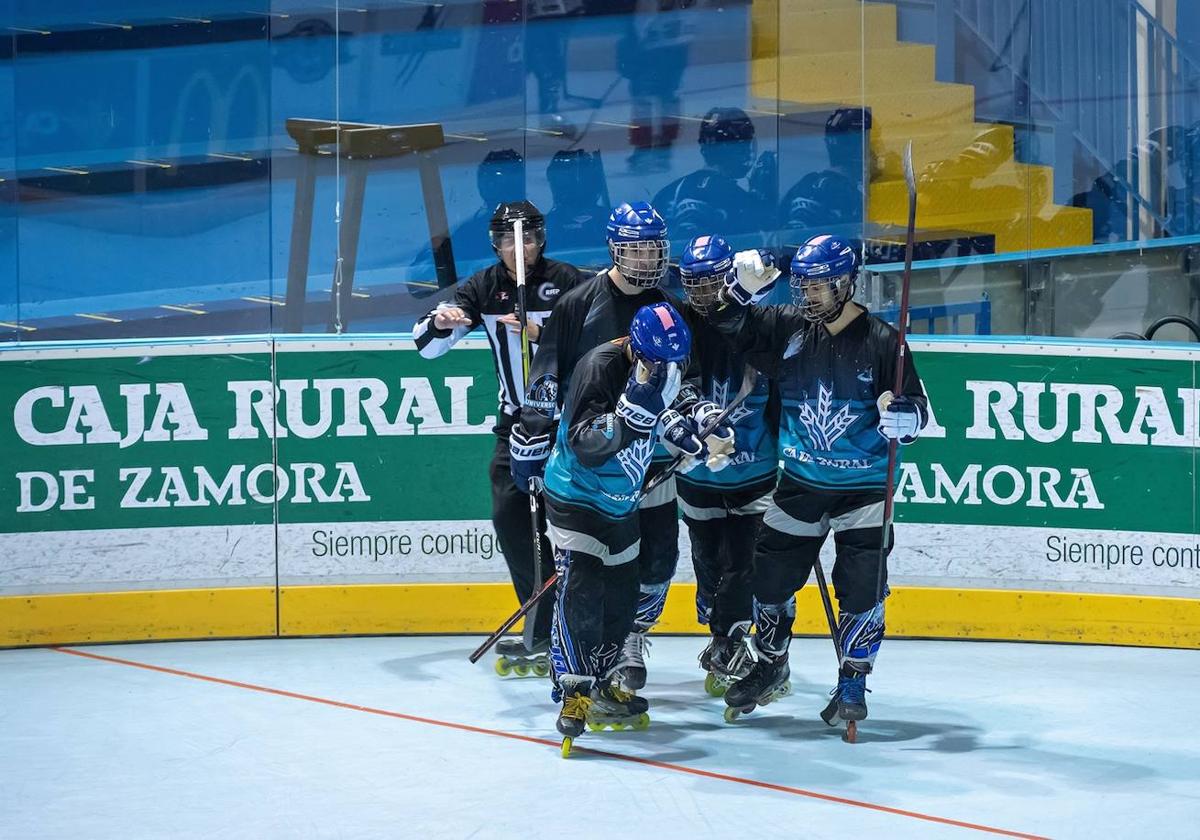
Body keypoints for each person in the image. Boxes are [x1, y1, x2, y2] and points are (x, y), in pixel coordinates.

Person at [708, 234, 929, 730]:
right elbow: (725, 323)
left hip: (865, 489)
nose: (807, 297)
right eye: (802, 286)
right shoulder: (787, 329)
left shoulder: (881, 341)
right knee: (768, 580)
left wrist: (906, 419)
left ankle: (853, 678)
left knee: (861, 588)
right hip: (801, 483)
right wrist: (738, 292)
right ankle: (770, 662)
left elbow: (917, 406)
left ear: (847, 285)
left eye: (819, 288)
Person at [509, 200, 698, 692]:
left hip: (649, 461)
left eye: (654, 248)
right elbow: (547, 371)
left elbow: (685, 378)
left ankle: (628, 638)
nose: (646, 258)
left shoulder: (667, 306)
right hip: (592, 452)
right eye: (636, 249)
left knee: (657, 561)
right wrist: (533, 434)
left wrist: (695, 419)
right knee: (590, 571)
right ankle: (582, 661)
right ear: (615, 250)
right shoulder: (579, 302)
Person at [413, 201, 583, 674]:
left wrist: (540, 331)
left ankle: (580, 627)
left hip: (570, 423)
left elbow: (600, 336)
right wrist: (441, 321)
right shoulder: (485, 287)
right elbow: (427, 347)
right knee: (511, 519)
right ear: (496, 244)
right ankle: (543, 628)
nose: (519, 247)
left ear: (541, 240)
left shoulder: (568, 281)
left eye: (527, 238)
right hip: (516, 423)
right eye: (509, 239)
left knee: (573, 525)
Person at [542, 302, 714, 754]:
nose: (666, 370)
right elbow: (584, 443)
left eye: (673, 363)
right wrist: (626, 420)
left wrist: (688, 433)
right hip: (577, 497)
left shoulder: (667, 365)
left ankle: (600, 681)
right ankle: (573, 691)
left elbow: (668, 411)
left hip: (622, 502)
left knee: (620, 601)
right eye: (657, 362)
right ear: (636, 351)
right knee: (581, 592)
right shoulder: (597, 368)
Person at [675, 235, 780, 697]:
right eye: (692, 284)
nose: (700, 294)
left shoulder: (758, 323)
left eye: (710, 282)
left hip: (755, 471)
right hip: (695, 473)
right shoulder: (678, 326)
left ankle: (745, 646)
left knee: (747, 563)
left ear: (730, 278)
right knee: (708, 563)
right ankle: (724, 641)